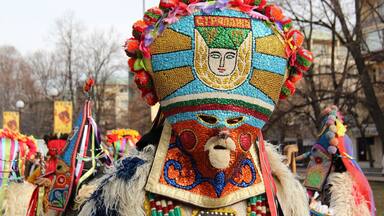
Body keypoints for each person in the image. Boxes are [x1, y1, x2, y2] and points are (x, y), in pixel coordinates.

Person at [78, 0, 314, 215]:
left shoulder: (279, 192)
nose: (222, 131)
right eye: (207, 119)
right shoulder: (127, 191)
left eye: (234, 121)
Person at [299, 106, 375, 216]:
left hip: (334, 193)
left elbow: (314, 176)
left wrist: (308, 197)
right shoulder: (344, 138)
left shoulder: (325, 141)